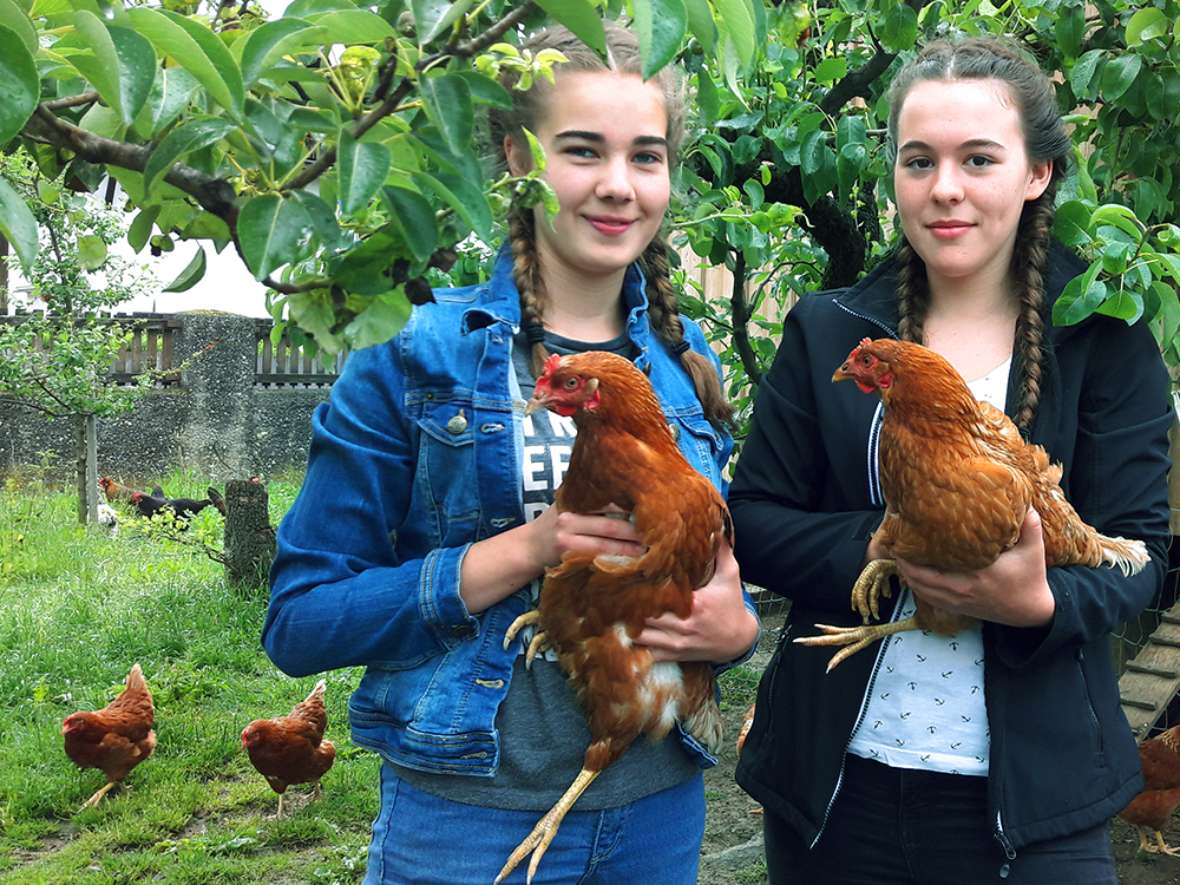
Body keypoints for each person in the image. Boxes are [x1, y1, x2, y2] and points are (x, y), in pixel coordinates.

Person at [263, 23, 759, 885]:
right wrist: (528, 549)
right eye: (581, 151)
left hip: (658, 811)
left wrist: (738, 628)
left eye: (646, 156)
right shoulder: (413, 351)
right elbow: (301, 622)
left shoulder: (690, 367)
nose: (617, 185)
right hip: (464, 824)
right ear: (514, 155)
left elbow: (708, 573)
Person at [730, 36, 1171, 884]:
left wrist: (1038, 599)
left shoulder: (1104, 341)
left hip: (1040, 803)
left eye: (978, 158)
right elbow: (753, 518)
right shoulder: (831, 326)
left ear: (1037, 172)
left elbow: (1140, 555)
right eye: (918, 159)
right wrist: (894, 543)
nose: (945, 189)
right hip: (834, 789)